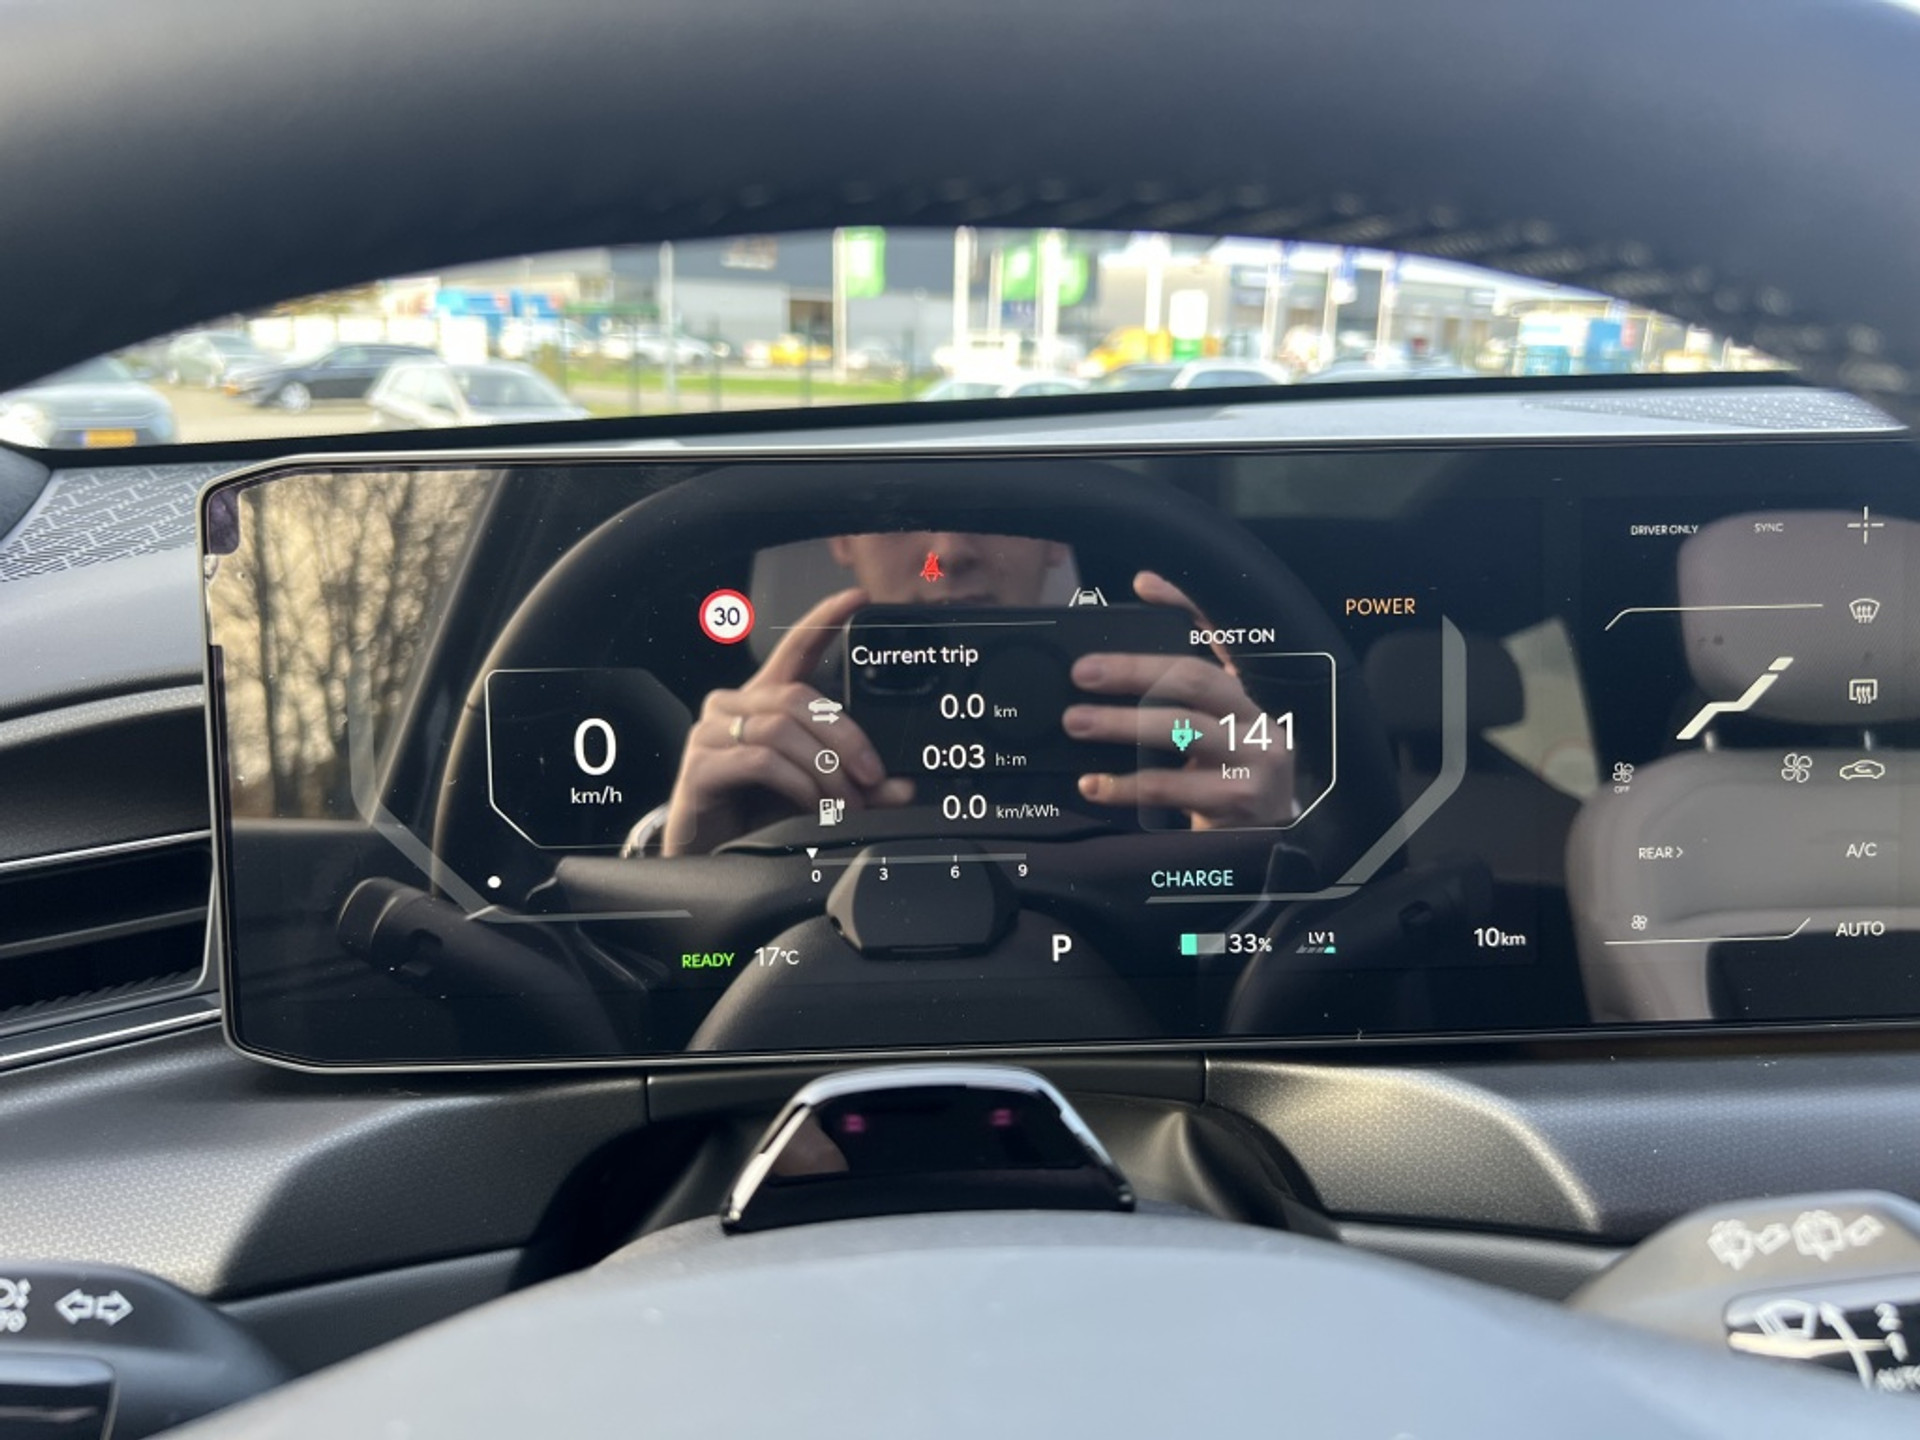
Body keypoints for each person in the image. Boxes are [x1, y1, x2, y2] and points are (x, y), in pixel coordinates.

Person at [633, 531, 1295, 856]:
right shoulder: (771, 751)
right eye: (900, 514)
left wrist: (1257, 845)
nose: (947, 553)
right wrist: (692, 860)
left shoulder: (1184, 730)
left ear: (1054, 537)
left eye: (997, 513)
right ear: (842, 539)